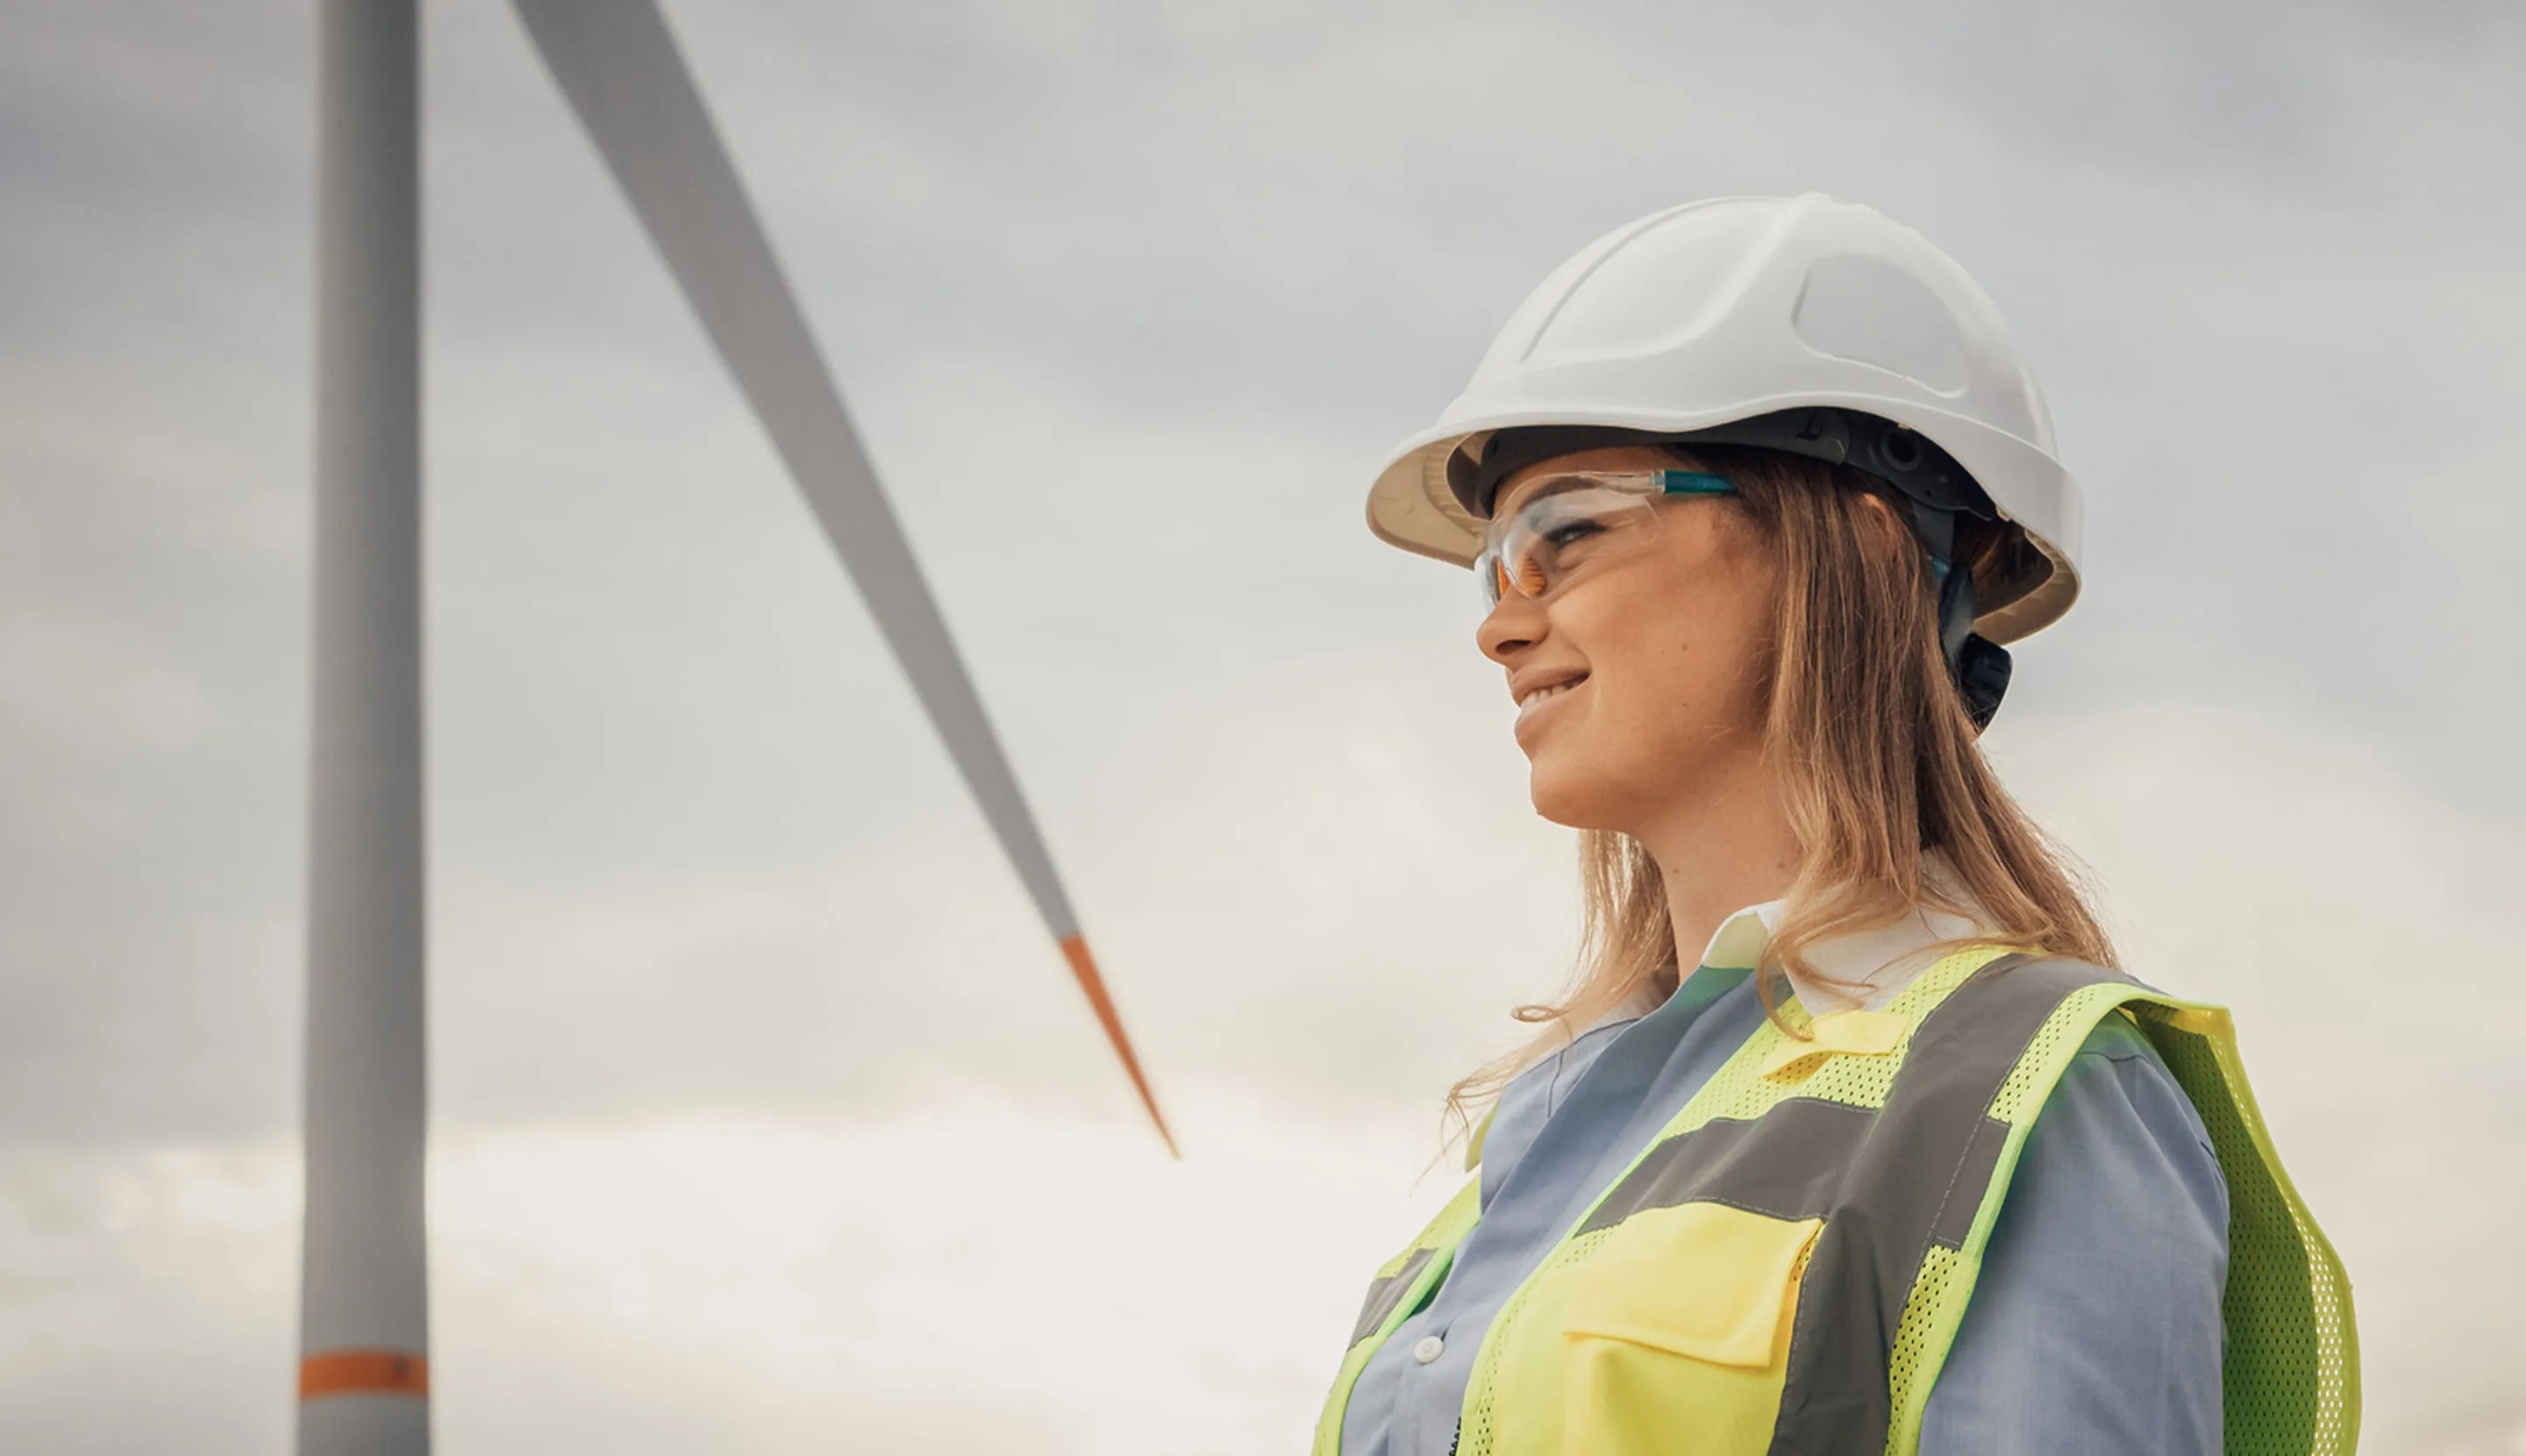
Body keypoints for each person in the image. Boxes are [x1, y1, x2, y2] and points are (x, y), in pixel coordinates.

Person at [1312, 196, 2357, 1456]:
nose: (1501, 622)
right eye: (1494, 569)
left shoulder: (2028, 1092)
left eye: (1567, 535)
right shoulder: (1530, 1141)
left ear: (1848, 547)